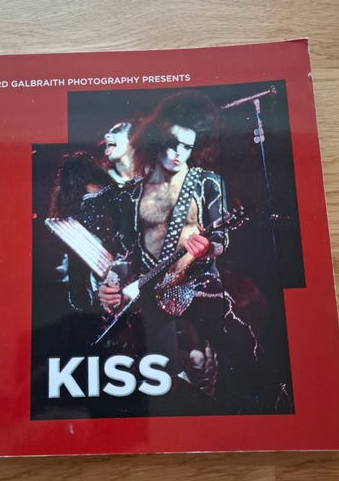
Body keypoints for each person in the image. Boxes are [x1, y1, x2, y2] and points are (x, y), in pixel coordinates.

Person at [94, 91, 262, 413]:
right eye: (172, 144)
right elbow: (126, 252)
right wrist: (111, 284)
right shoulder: (133, 192)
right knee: (158, 383)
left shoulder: (207, 182)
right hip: (149, 295)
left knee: (220, 370)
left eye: (187, 147)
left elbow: (222, 236)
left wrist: (205, 248)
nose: (177, 154)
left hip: (199, 290)